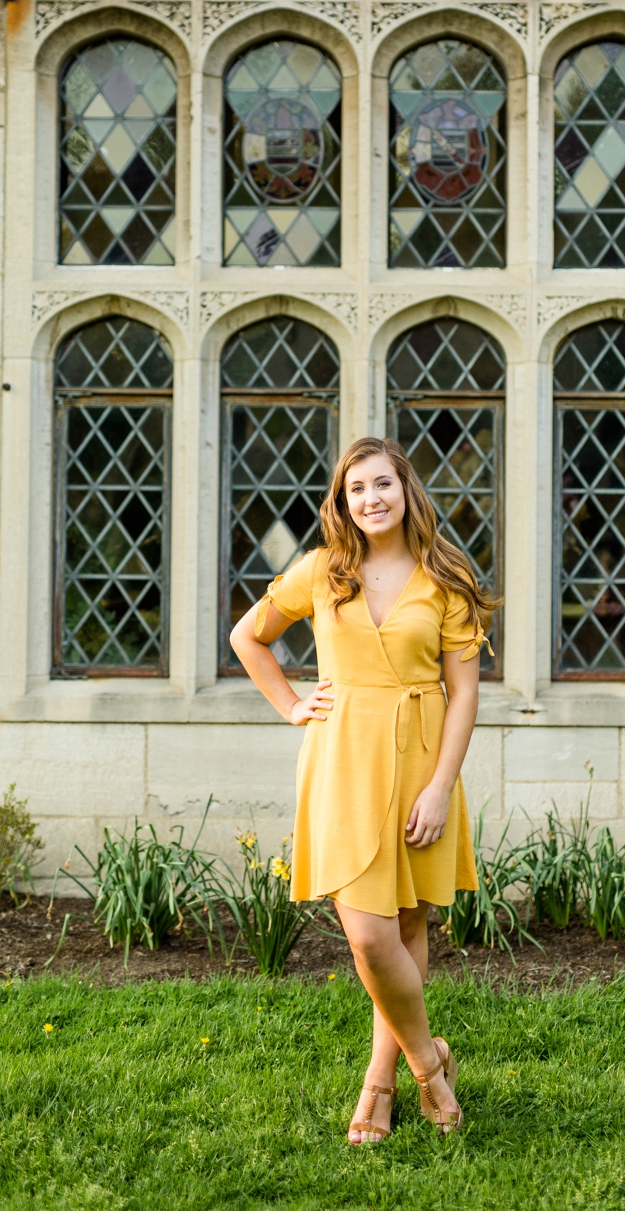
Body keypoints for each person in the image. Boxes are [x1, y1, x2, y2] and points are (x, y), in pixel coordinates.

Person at [227, 435, 494, 1145]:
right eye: (356, 490)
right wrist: (290, 704)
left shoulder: (446, 578)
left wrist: (441, 786)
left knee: (407, 929)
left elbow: (464, 695)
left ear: (406, 490)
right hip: (342, 761)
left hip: (420, 762)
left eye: (382, 484)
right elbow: (247, 638)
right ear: (342, 503)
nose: (371, 499)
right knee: (371, 940)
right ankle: (430, 1065)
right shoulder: (322, 571)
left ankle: (377, 1088)